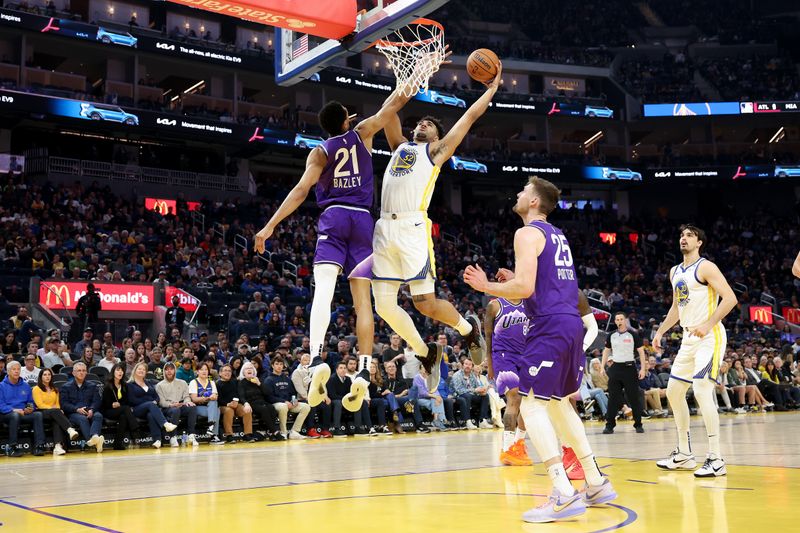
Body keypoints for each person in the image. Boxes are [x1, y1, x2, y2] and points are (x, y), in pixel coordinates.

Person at [254, 80, 423, 414]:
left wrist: (270, 225)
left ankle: (316, 356)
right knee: (364, 304)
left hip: (333, 218)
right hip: (362, 222)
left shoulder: (320, 151)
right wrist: (416, 77)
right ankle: (363, 366)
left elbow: (301, 191)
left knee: (324, 293)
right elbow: (395, 103)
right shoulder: (362, 132)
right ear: (347, 120)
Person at [464, 176, 616, 522]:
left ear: (534, 202)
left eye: (523, 191)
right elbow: (538, 284)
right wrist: (514, 282)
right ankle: (595, 481)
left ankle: (562, 492)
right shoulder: (557, 235)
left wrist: (485, 285)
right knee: (561, 406)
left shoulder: (525, 233)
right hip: (569, 325)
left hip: (547, 326)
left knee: (531, 406)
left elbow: (526, 285)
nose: (517, 194)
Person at [368, 68, 501, 397]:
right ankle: (427, 351)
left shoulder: (436, 153)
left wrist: (491, 90)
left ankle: (468, 331)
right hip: (384, 226)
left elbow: (469, 117)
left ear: (438, 136)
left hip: (413, 226)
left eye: (429, 124)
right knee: (383, 306)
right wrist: (405, 85)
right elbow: (389, 111)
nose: (422, 125)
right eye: (420, 123)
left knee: (424, 304)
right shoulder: (399, 146)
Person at [652, 224, 737, 477]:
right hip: (689, 338)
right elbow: (677, 308)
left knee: (701, 389)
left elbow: (731, 298)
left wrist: (708, 323)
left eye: (689, 235)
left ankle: (716, 458)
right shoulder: (675, 271)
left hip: (710, 335)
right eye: (681, 235)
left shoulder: (706, 267)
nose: (684, 239)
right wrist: (660, 331)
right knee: (674, 391)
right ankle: (684, 453)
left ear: (699, 242)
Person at [601, 312, 647, 434]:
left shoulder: (633, 334)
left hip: (629, 368)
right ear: (615, 321)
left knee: (633, 398)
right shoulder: (611, 335)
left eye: (621, 319)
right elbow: (606, 351)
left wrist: (643, 369)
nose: (619, 321)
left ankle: (638, 424)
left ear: (625, 320)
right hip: (615, 368)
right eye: (617, 319)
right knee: (613, 398)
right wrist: (602, 366)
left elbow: (641, 352)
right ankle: (609, 425)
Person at [128, 362, 178, 449]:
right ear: (135, 370)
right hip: (136, 409)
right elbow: (132, 400)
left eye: (143, 370)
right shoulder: (130, 384)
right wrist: (150, 402)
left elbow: (156, 397)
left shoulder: (148, 383)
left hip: (150, 409)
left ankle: (157, 440)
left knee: (151, 415)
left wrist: (155, 401)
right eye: (139, 369)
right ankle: (165, 424)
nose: (141, 371)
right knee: (151, 405)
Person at [0, 361, 45, 456]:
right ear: (8, 372)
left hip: (23, 413)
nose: (16, 371)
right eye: (14, 369)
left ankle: (38, 446)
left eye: (18, 369)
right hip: (6, 414)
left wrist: (30, 408)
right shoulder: (1, 386)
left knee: (37, 415)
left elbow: (30, 402)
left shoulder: (25, 385)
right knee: (15, 416)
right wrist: (14, 410)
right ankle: (12, 447)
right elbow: (1, 406)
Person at [59, 362, 105, 453]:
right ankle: (94, 442)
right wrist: (76, 409)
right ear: (73, 373)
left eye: (84, 370)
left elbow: (97, 401)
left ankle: (95, 437)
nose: (81, 373)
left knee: (98, 416)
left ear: (86, 372)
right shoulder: (65, 387)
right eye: (79, 370)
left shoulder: (92, 386)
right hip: (74, 413)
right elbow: (64, 404)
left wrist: (92, 409)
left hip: (89, 410)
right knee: (82, 419)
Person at [33, 368, 80, 455]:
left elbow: (57, 403)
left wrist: (58, 409)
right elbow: (40, 404)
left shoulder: (55, 389)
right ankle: (70, 429)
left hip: (54, 413)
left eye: (49, 374)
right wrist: (53, 409)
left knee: (57, 420)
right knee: (56, 413)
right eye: (45, 375)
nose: (47, 377)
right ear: (40, 377)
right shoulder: (36, 389)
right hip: (42, 412)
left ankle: (58, 446)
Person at [263, 357, 310, 439]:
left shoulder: (287, 379)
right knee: (283, 406)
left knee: (306, 407)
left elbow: (293, 393)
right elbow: (269, 397)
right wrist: (284, 401)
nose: (279, 366)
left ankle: (294, 431)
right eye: (277, 364)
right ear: (272, 366)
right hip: (276, 404)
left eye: (281, 364)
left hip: (289, 403)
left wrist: (294, 400)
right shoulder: (268, 380)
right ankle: (283, 432)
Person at [156, 362, 199, 446]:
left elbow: (186, 396)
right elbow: (161, 402)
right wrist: (171, 405)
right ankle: (173, 437)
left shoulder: (182, 383)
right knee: (175, 410)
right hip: (167, 408)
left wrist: (187, 402)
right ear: (164, 372)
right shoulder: (159, 385)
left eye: (171, 369)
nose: (169, 371)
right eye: (167, 369)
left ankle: (191, 435)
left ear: (175, 370)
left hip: (180, 405)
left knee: (192, 407)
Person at [237, 361, 282, 441]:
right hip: (251, 403)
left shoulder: (258, 380)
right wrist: (246, 404)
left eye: (251, 368)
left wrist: (259, 383)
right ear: (243, 372)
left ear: (254, 371)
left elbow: (267, 393)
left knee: (272, 408)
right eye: (247, 368)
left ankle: (269, 432)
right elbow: (241, 396)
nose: (249, 369)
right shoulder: (241, 383)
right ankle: (274, 432)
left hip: (262, 401)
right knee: (264, 409)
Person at [100, 363, 139, 450]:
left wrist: (119, 404)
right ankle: (135, 429)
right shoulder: (108, 386)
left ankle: (117, 444)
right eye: (118, 370)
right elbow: (103, 403)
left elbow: (126, 401)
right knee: (126, 409)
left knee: (124, 417)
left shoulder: (124, 385)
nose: (120, 372)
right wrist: (111, 404)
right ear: (113, 372)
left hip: (120, 410)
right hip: (108, 410)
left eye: (122, 370)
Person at [216, 364, 253, 443]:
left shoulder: (236, 382)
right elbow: (218, 400)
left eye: (229, 371)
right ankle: (229, 435)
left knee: (247, 410)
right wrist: (228, 404)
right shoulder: (217, 384)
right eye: (225, 370)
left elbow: (241, 394)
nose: (227, 372)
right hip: (224, 405)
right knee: (229, 410)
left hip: (237, 404)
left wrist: (245, 403)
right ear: (220, 373)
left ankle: (247, 434)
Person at [451, 358, 492, 429]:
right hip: (457, 396)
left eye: (470, 365)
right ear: (462, 365)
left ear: (472, 367)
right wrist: (475, 390)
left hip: (470, 395)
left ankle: (482, 421)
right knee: (467, 396)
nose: (468, 366)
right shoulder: (456, 375)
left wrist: (482, 391)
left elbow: (477, 386)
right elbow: (459, 390)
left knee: (485, 396)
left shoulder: (472, 375)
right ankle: (468, 422)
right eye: (466, 364)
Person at [188, 362, 224, 444]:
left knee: (214, 404)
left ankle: (211, 427)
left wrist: (212, 397)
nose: (204, 371)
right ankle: (214, 435)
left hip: (210, 407)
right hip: (197, 407)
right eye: (201, 369)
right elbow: (194, 399)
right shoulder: (193, 382)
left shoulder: (212, 383)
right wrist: (207, 398)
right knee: (216, 410)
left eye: (206, 369)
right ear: (197, 372)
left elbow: (215, 396)